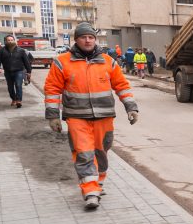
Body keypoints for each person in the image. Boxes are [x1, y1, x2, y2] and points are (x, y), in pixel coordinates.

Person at [44, 22, 138, 210]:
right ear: (76, 39)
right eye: (83, 37)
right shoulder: (62, 61)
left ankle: (98, 183)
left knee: (101, 151)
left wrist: (131, 106)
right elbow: (52, 90)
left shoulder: (108, 61)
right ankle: (90, 192)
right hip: (76, 117)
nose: (87, 40)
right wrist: (53, 115)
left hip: (104, 117)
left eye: (91, 37)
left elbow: (121, 85)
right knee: (83, 153)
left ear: (95, 40)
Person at [0, 35, 32, 107]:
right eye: (8, 40)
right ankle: (13, 99)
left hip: (19, 71)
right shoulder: (1, 50)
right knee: (10, 87)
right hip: (8, 71)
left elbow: (26, 62)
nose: (10, 41)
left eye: (12, 40)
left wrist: (29, 72)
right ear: (5, 41)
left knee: (18, 85)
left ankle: (19, 100)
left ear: (14, 41)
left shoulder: (21, 50)